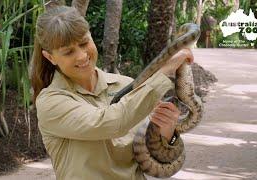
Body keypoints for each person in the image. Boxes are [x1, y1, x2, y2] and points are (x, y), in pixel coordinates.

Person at [31, 5, 194, 180]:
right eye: (68, 52)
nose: (81, 56)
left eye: (84, 43)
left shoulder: (126, 85)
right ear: (50, 57)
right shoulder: (50, 102)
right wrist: (165, 70)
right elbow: (111, 122)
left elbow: (156, 161)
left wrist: (167, 134)